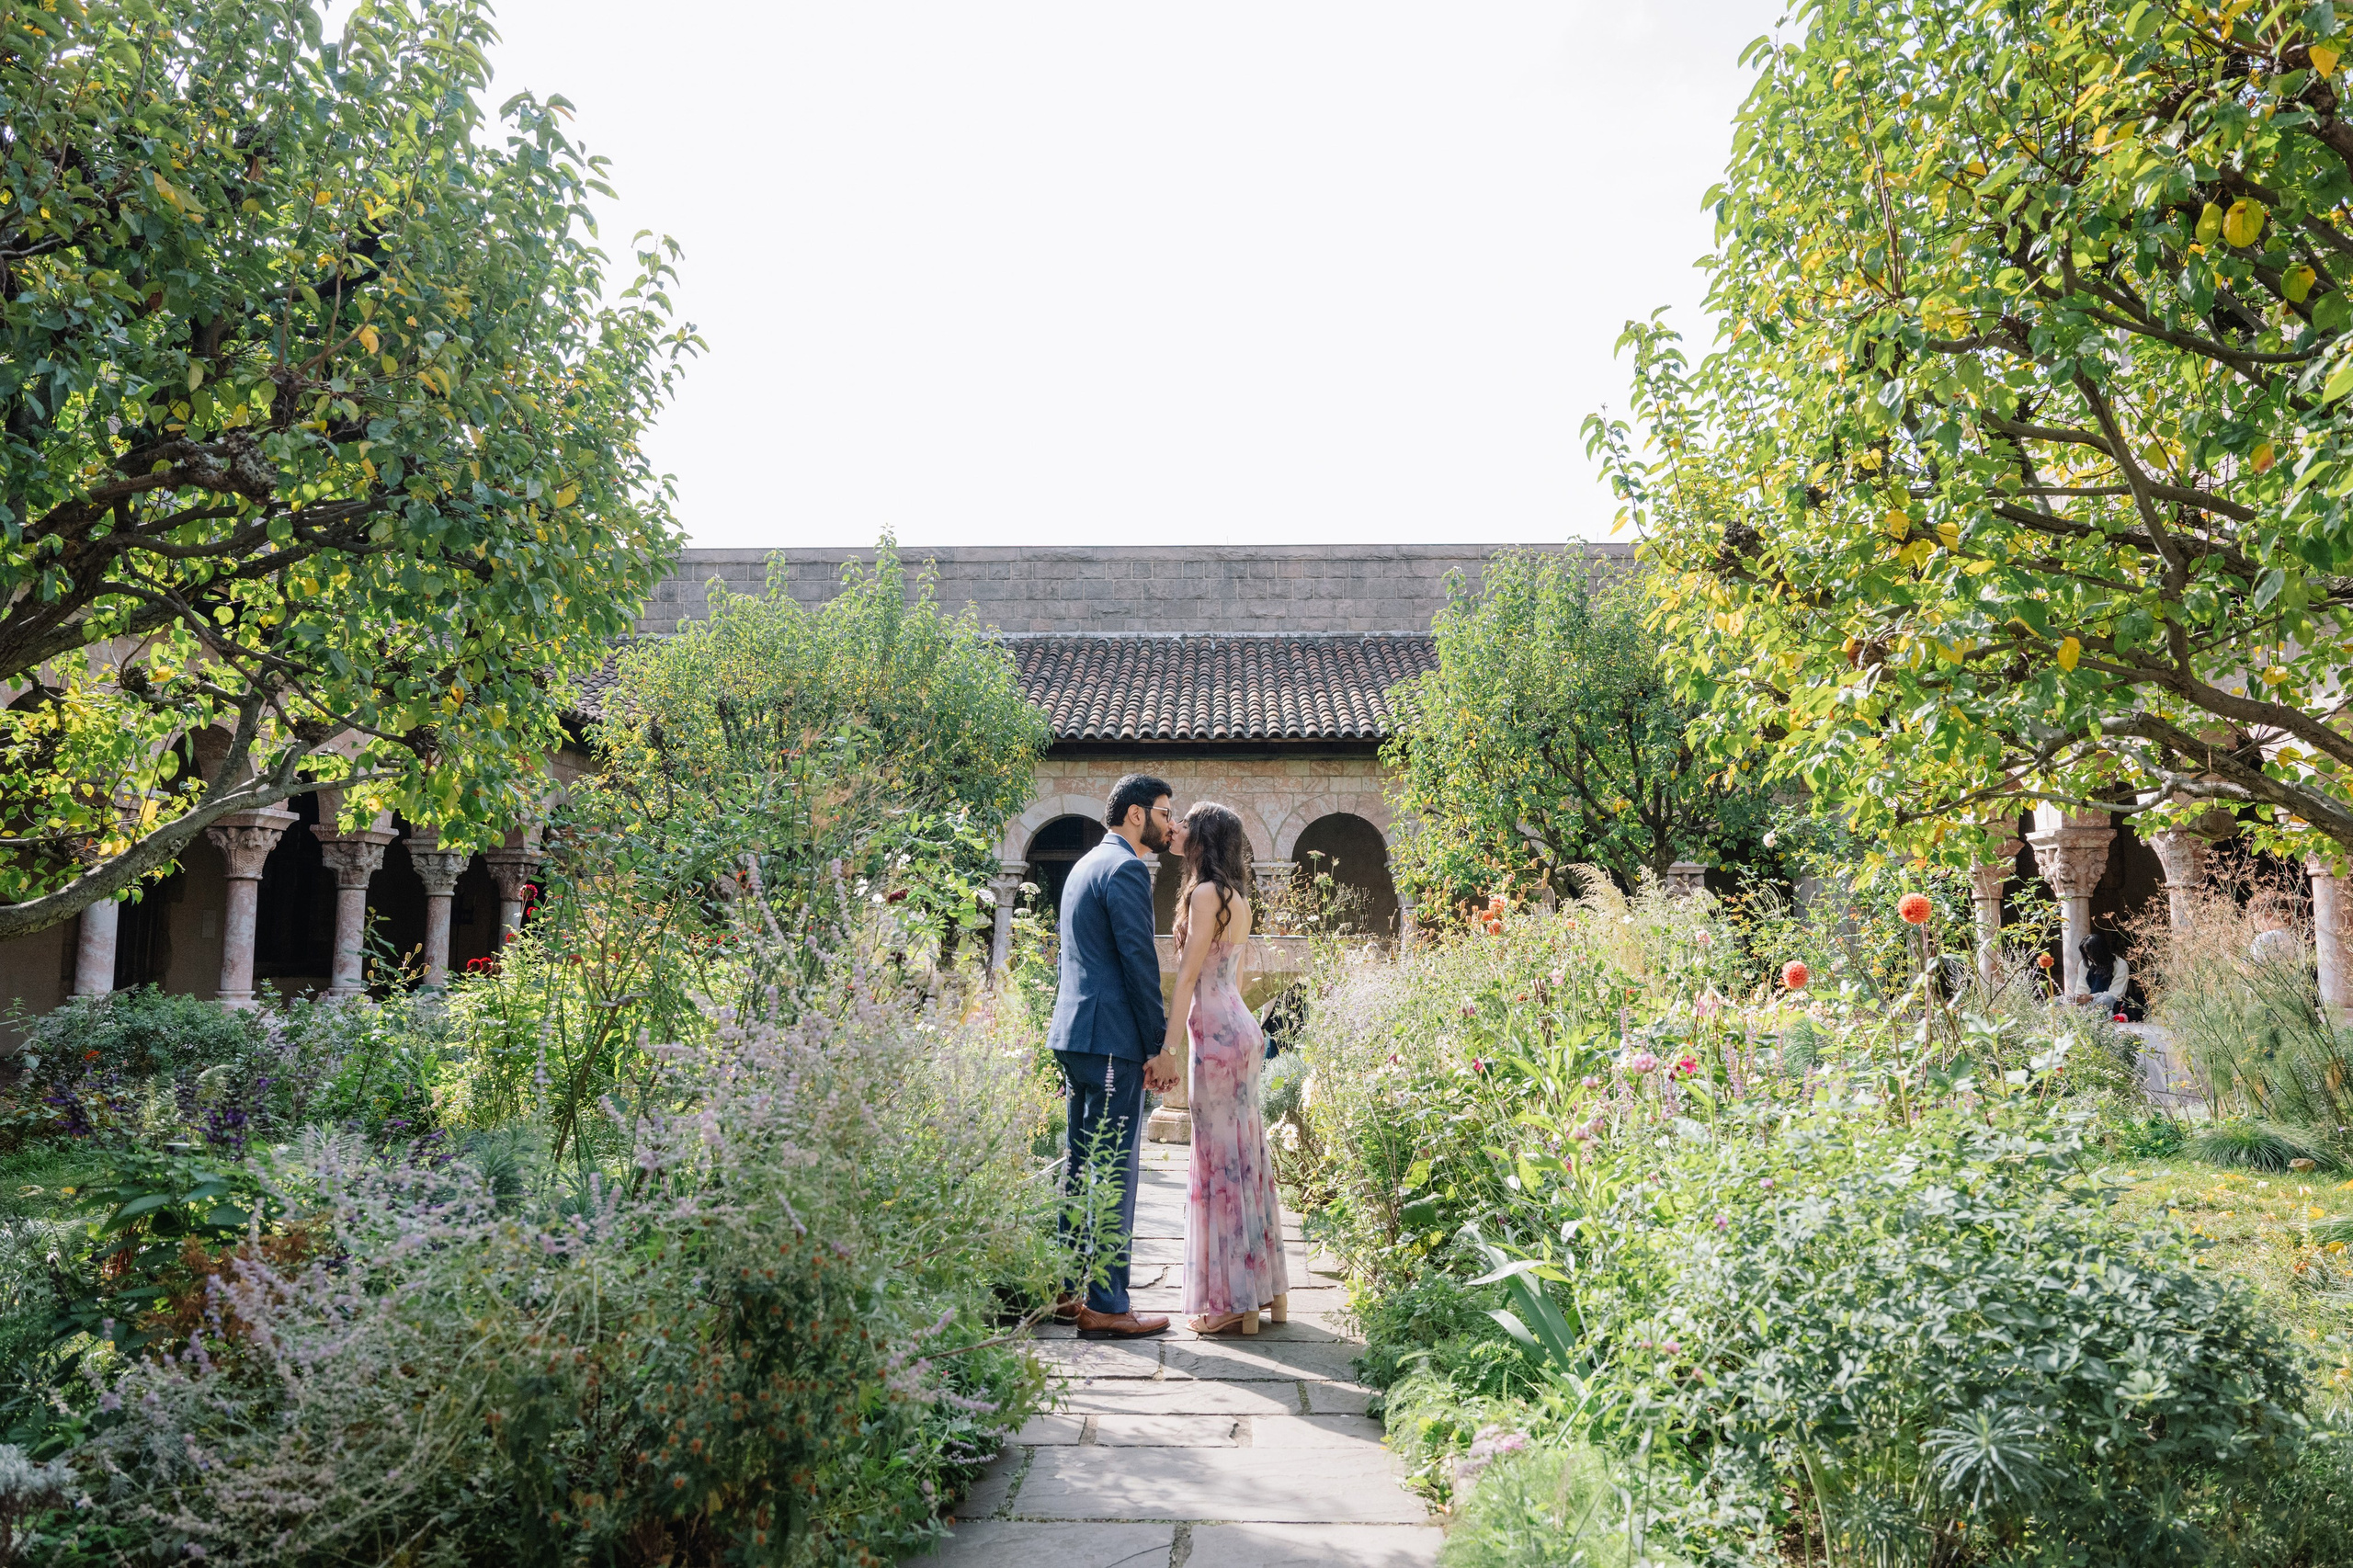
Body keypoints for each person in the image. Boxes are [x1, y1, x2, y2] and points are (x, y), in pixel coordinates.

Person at [1047, 775, 1182, 1339]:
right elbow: (1137, 964)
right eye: (1164, 812)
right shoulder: (1126, 868)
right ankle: (1105, 1304)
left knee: (1082, 1164)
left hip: (1076, 1036)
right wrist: (1160, 1047)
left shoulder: (1085, 865)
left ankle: (1059, 1290)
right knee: (1112, 1169)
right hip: (1109, 1043)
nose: (1171, 824)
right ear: (1134, 814)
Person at [1161, 801, 1290, 1336]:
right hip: (1239, 1026)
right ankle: (1269, 1295)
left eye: (1186, 822)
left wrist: (1168, 1047)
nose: (1177, 828)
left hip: (1213, 1032)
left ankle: (1232, 1301)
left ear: (1204, 837)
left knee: (1218, 1163)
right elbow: (1234, 973)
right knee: (1247, 1157)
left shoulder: (1205, 894)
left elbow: (1189, 977)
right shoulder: (1237, 898)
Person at [2072, 930, 2138, 1021]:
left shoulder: (2120, 964)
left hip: (2110, 1002)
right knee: (2062, 1001)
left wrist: (2091, 998)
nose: (2090, 957)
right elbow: (2082, 987)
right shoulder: (2085, 964)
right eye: (2087, 954)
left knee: (2107, 1000)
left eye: (2091, 954)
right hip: (2088, 1002)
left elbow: (2116, 994)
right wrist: (2080, 998)